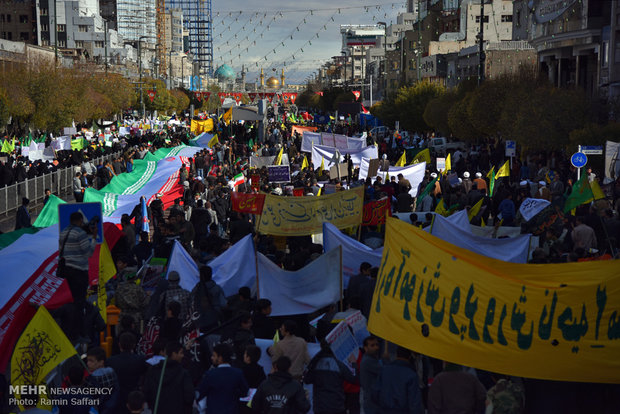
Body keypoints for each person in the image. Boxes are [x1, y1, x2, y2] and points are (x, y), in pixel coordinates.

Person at [303, 339, 358, 414]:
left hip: (320, 407)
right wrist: (354, 364)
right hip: (337, 407)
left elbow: (306, 379)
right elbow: (355, 379)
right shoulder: (339, 365)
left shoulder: (315, 364)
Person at [196, 343, 250, 414]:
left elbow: (199, 393)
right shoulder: (238, 373)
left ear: (220, 358)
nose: (212, 358)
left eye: (214, 356)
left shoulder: (210, 374)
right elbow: (246, 392)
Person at [144, 341, 194, 414]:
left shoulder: (153, 371)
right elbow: (189, 397)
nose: (183, 355)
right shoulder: (183, 373)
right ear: (174, 354)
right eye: (181, 353)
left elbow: (147, 392)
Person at [372, 346, 424, 414]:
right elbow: (415, 404)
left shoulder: (384, 370)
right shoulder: (411, 375)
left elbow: (375, 393)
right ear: (409, 357)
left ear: (396, 355)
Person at [106, 332, 149, 414]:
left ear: (119, 345)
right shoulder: (140, 360)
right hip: (135, 397)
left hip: (117, 398)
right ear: (134, 345)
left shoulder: (110, 361)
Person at [191, 265, 227, 331]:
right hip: (215, 320)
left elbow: (191, 302)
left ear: (201, 276)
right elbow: (223, 304)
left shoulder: (197, 289)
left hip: (199, 320)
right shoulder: (216, 288)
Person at [86, 346, 121, 414]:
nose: (88, 363)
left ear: (101, 362)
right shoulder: (112, 374)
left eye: (91, 361)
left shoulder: (90, 380)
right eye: (88, 360)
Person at [360, 336, 382, 414]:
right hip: (372, 403)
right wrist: (386, 360)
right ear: (365, 348)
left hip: (373, 401)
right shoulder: (368, 361)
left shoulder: (372, 359)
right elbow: (384, 371)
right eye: (372, 345)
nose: (376, 347)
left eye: (377, 345)